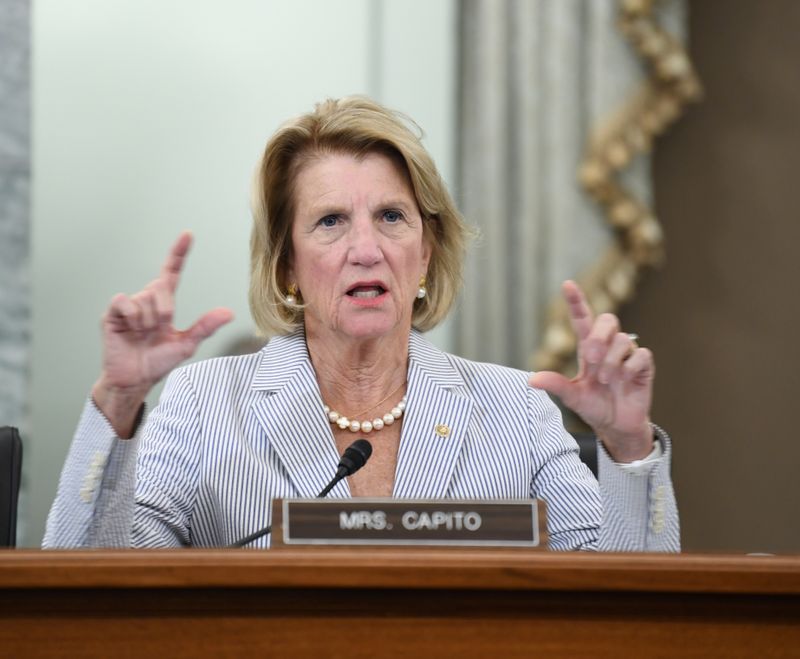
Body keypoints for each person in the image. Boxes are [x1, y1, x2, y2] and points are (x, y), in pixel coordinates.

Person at [43, 97, 678, 551]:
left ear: (427, 252)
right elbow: (95, 595)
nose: (366, 249)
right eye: (330, 222)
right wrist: (120, 400)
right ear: (288, 265)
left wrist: (627, 450)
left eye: (392, 217)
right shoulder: (204, 406)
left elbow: (625, 614)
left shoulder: (517, 411)